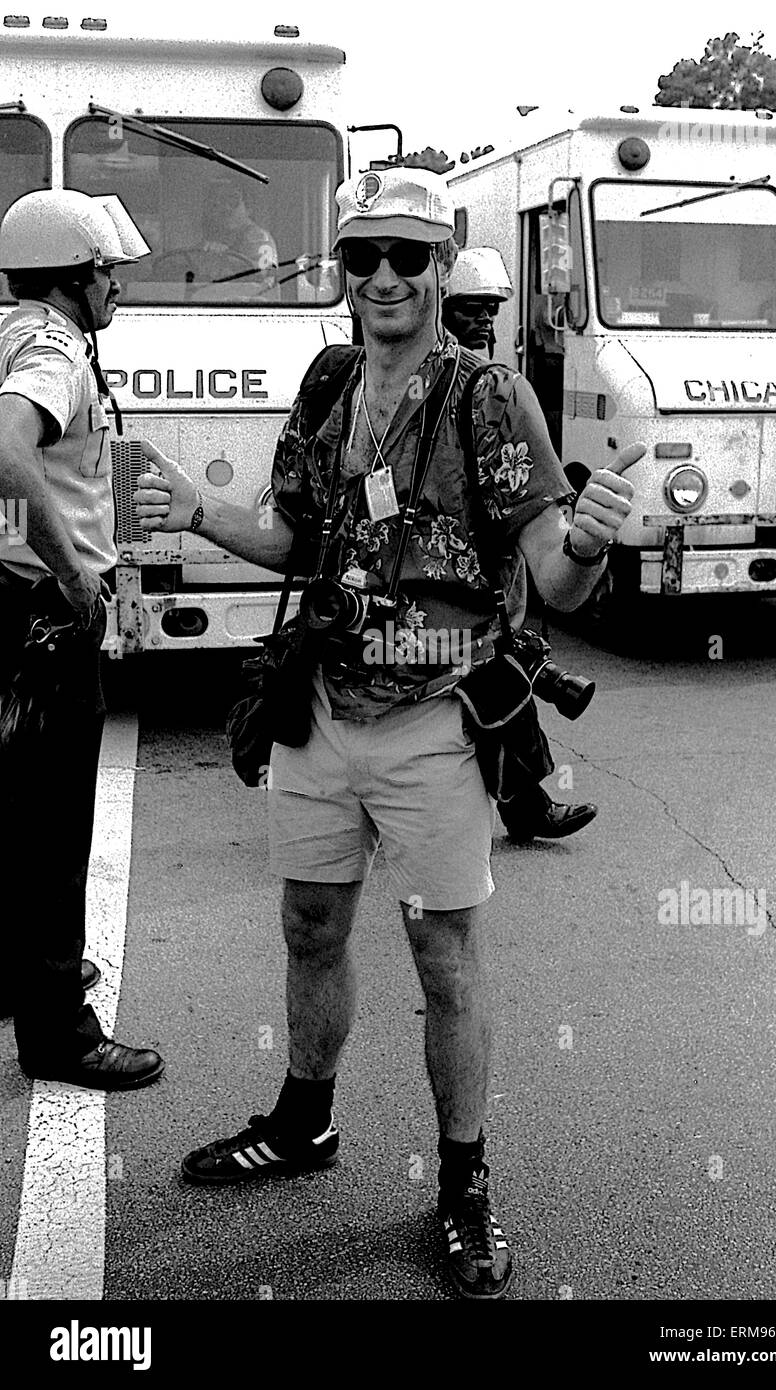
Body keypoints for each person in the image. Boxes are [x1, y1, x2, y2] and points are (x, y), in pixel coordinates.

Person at [135, 167, 641, 1298]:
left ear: (444, 256)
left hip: (435, 724)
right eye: (362, 257)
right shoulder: (324, 384)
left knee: (442, 957)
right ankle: (304, 1123)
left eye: (408, 257)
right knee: (310, 928)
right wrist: (196, 508)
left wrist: (594, 542)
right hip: (319, 712)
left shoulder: (490, 397)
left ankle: (463, 1184)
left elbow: (552, 579)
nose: (383, 279)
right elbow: (292, 540)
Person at [0, 189, 164, 1089]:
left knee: (14, 813)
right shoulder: (55, 351)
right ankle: (60, 1028)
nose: (117, 290)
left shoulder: (15, 332)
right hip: (41, 615)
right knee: (55, 833)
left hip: (8, 605)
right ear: (74, 276)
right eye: (108, 273)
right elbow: (5, 454)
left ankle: (15, 976)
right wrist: (70, 571)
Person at [442, 245, 598, 844]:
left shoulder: (498, 390)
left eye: (491, 311)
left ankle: (525, 806)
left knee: (502, 685)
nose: (484, 321)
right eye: (471, 310)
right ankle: (526, 808)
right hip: (445, 589)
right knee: (499, 689)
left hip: (493, 573)